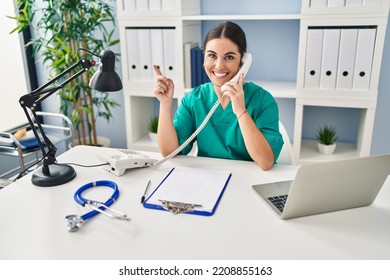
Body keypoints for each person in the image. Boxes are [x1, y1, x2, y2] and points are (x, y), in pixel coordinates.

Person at [153, 21, 283, 170]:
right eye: (212, 56)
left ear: (242, 62)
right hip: (210, 180)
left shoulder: (262, 100)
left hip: (249, 180)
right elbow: (169, 152)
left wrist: (241, 111)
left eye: (229, 57)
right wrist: (165, 104)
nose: (219, 65)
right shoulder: (193, 100)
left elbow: (266, 162)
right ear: (204, 59)